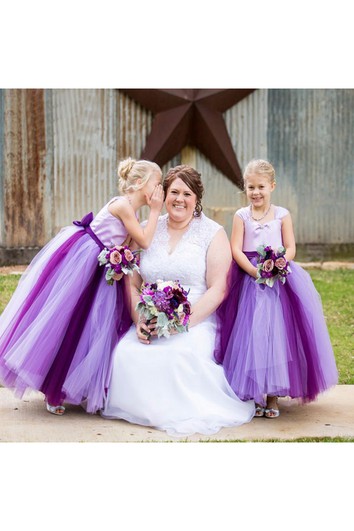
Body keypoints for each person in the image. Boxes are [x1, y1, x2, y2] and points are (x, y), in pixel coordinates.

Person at [0, 158, 164, 415]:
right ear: (138, 183)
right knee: (66, 324)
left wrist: (126, 257)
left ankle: (76, 388)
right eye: (157, 184)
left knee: (90, 330)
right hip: (85, 264)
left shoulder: (133, 212)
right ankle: (53, 390)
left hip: (103, 271)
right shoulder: (122, 204)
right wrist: (156, 211)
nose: (159, 191)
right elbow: (144, 240)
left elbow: (131, 247)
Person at [101, 165, 255, 437]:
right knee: (125, 353)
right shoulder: (147, 228)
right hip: (149, 314)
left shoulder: (212, 232)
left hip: (197, 318)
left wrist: (181, 323)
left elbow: (218, 289)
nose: (179, 199)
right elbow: (132, 281)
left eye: (187, 193)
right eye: (173, 192)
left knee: (178, 357)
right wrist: (140, 320)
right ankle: (143, 408)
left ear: (197, 199)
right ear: (162, 194)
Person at [214, 159, 338, 418]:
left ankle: (273, 397)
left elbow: (291, 246)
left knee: (276, 336)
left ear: (272, 186)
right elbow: (235, 247)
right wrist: (253, 270)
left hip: (279, 281)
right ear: (245, 188)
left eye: (261, 186)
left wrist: (280, 262)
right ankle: (255, 394)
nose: (256, 192)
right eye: (250, 187)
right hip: (249, 280)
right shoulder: (241, 216)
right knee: (250, 335)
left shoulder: (282, 215)